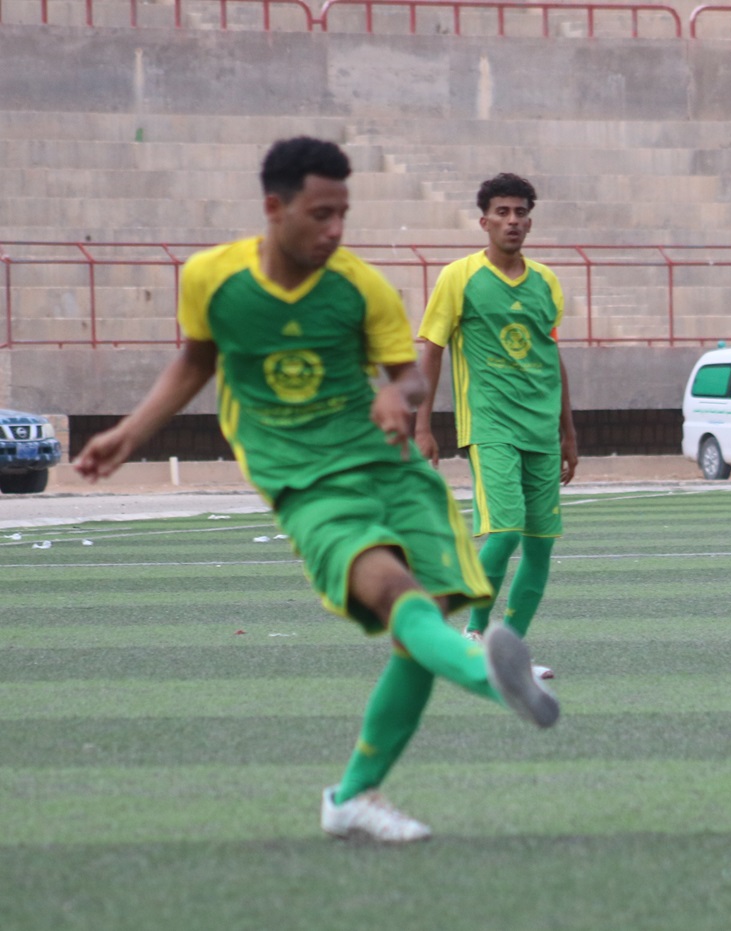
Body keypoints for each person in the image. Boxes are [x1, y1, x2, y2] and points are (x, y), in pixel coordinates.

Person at [73, 137, 560, 844]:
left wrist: (399, 396)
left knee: (412, 631)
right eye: (321, 214)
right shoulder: (213, 277)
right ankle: (487, 669)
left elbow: (411, 373)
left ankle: (353, 795)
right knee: (399, 597)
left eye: (344, 214)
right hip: (303, 479)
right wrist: (128, 433)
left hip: (390, 470)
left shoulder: (360, 286)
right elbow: (196, 360)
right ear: (275, 207)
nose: (335, 230)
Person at [415, 173, 578, 680]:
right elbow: (432, 351)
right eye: (502, 213)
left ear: (530, 219)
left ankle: (510, 652)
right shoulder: (458, 277)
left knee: (540, 545)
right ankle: (473, 634)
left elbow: (552, 356)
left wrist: (568, 432)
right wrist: (422, 424)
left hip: (542, 429)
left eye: (521, 212)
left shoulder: (546, 281)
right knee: (503, 531)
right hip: (490, 426)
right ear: (484, 221)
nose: (513, 221)